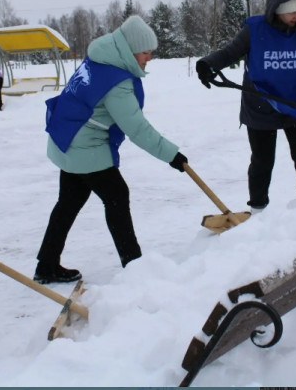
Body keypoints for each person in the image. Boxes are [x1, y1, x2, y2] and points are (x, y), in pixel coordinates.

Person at [36, 15, 187, 283]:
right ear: (130, 50)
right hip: (84, 147)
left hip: (66, 137)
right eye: (145, 52)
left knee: (69, 202)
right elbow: (137, 128)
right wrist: (171, 155)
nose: (149, 58)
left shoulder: (100, 59)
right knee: (116, 195)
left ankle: (46, 265)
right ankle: (134, 266)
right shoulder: (117, 83)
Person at [196, 0, 296, 210]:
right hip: (261, 104)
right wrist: (207, 64)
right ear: (277, 10)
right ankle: (258, 209)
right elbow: (230, 52)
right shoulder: (255, 30)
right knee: (262, 161)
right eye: (291, 12)